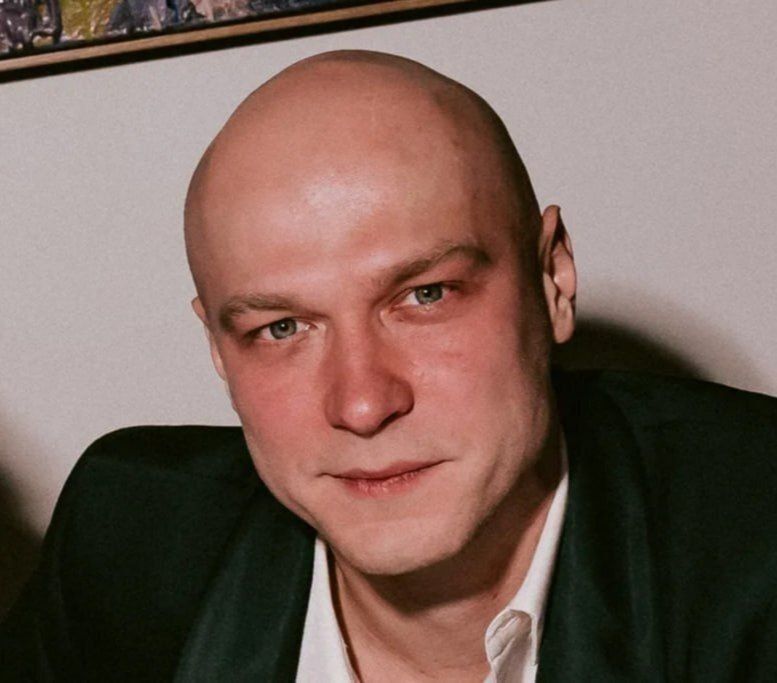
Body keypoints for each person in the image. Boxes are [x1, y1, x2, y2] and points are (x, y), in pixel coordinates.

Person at [1, 50, 776, 682]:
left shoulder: (752, 539)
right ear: (216, 348)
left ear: (551, 279)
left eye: (424, 295)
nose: (363, 403)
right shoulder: (133, 541)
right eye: (280, 328)